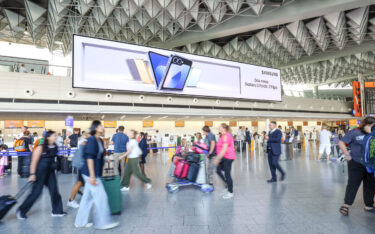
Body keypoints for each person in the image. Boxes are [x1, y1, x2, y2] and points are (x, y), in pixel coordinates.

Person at [75, 120, 119, 229]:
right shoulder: (91, 140)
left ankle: (80, 222)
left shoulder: (99, 140)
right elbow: (90, 158)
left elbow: (97, 156)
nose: (103, 128)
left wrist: (105, 159)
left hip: (92, 172)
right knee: (101, 197)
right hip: (91, 173)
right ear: (95, 128)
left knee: (87, 198)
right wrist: (92, 176)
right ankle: (102, 223)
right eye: (100, 127)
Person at [17, 131, 66, 219]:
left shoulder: (55, 146)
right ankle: (21, 210)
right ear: (48, 137)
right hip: (39, 173)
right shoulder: (40, 147)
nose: (56, 137)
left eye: (56, 136)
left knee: (54, 191)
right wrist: (32, 174)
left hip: (50, 173)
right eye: (54, 136)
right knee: (36, 193)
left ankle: (57, 211)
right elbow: (34, 162)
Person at [339, 117, 375, 216]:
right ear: (367, 125)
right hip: (356, 162)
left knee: (370, 184)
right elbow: (341, 142)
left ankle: (369, 206)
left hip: (370, 164)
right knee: (353, 184)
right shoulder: (355, 132)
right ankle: (346, 205)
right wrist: (346, 154)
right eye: (372, 126)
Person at [67, 132, 90, 209]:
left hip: (83, 165)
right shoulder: (85, 143)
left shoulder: (83, 142)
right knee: (79, 183)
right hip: (83, 166)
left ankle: (83, 193)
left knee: (82, 183)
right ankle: (71, 200)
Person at [213, 123, 235, 199]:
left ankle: (230, 192)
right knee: (218, 170)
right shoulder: (222, 136)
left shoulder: (226, 136)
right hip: (223, 157)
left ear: (223, 128)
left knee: (227, 174)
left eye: (219, 127)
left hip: (228, 157)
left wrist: (217, 159)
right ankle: (227, 185)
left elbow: (224, 149)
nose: (218, 128)